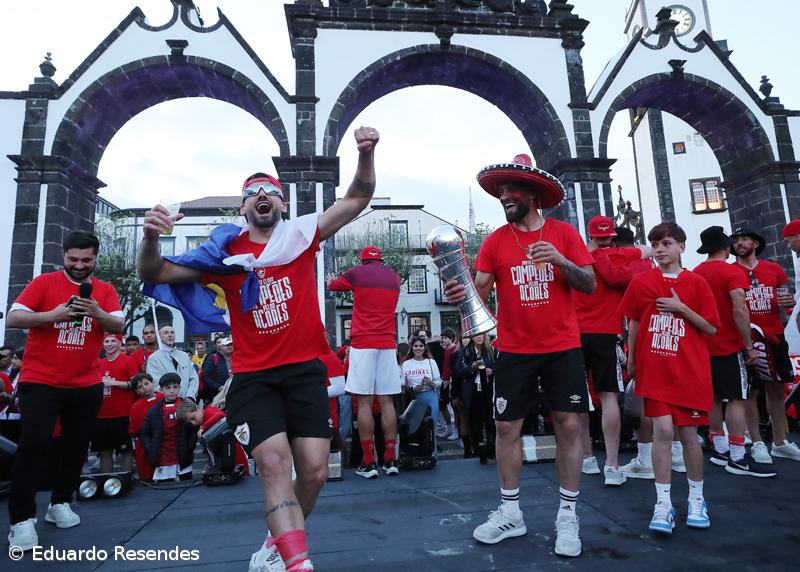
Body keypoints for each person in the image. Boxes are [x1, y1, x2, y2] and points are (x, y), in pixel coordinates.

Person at [137, 126, 380, 571]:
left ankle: (274, 545)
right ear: (244, 206)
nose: (263, 195)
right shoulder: (224, 257)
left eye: (271, 190)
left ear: (282, 203)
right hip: (254, 378)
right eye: (253, 192)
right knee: (273, 464)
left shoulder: (302, 235)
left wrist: (366, 152)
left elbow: (358, 197)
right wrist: (151, 236)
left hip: (305, 372)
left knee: (314, 473)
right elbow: (154, 273)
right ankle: (297, 563)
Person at [445, 153, 596, 557]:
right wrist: (459, 295)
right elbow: (477, 295)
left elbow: (590, 284)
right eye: (501, 192)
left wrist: (561, 260)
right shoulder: (496, 240)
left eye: (512, 190)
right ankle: (510, 512)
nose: (504, 196)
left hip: (562, 346)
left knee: (567, 427)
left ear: (534, 196)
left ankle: (567, 514)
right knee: (506, 429)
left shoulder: (564, 234)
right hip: (513, 349)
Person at [6, 230, 124, 551]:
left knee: (76, 446)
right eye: (73, 259)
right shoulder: (44, 283)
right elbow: (14, 318)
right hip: (41, 379)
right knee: (33, 445)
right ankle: (21, 519)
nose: (80, 265)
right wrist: (53, 315)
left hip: (85, 382)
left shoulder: (105, 290)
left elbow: (118, 325)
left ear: (95, 258)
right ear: (64, 255)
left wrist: (95, 311)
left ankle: (60, 502)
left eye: (86, 260)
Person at [620, 222, 720, 534]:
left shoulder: (697, 283)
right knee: (662, 431)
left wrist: (681, 308)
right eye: (655, 243)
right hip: (655, 370)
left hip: (689, 372)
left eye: (666, 243)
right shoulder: (641, 282)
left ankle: (696, 498)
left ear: (681, 246)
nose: (660, 249)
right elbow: (635, 321)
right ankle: (663, 503)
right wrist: (633, 359)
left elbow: (711, 327)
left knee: (689, 436)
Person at [573, 216, 651, 486]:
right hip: (606, 332)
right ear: (612, 236)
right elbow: (647, 251)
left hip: (575, 332)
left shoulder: (578, 252)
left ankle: (586, 457)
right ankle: (613, 464)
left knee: (580, 398)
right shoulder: (619, 255)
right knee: (608, 397)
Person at [693, 226, 775, 477]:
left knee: (714, 398)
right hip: (728, 344)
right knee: (737, 398)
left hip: (703, 345)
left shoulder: (696, 273)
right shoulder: (730, 271)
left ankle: (720, 448)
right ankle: (738, 456)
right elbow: (739, 308)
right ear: (726, 247)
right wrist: (748, 345)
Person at [327, 245, 402, 479]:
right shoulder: (394, 278)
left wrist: (332, 278)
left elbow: (334, 285)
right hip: (388, 342)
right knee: (387, 401)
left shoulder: (357, 273)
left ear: (362, 259)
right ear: (380, 258)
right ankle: (390, 459)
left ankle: (369, 462)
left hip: (362, 342)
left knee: (365, 401)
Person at [731, 226, 800, 462]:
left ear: (756, 243)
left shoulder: (774, 269)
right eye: (736, 240)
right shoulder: (730, 271)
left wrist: (789, 300)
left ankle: (779, 442)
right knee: (751, 391)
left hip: (774, 335)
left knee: (777, 389)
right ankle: (758, 441)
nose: (739, 243)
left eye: (744, 239)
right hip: (746, 338)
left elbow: (786, 297)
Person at [92, 333, 140, 473]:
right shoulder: (99, 363)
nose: (109, 344)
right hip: (101, 415)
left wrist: (114, 383)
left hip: (122, 414)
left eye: (113, 341)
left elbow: (136, 383)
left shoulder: (128, 361)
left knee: (125, 451)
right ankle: (106, 481)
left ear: (120, 344)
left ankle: (125, 480)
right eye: (106, 341)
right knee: (104, 451)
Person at [140, 373, 195, 482]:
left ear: (180, 387)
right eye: (168, 388)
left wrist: (190, 445)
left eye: (175, 387)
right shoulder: (154, 411)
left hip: (183, 456)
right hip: (163, 458)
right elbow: (145, 434)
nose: (172, 391)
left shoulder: (188, 405)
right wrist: (151, 450)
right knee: (165, 492)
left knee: (186, 489)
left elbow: (194, 428)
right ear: (161, 389)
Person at [452, 333, 497, 459]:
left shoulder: (492, 350)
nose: (478, 337)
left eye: (481, 334)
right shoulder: (465, 351)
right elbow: (457, 372)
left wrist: (492, 371)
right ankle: (477, 449)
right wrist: (471, 368)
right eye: (475, 335)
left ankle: (491, 448)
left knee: (490, 420)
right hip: (472, 391)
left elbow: (501, 366)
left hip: (489, 389)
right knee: (474, 421)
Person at [401, 336, 443, 448]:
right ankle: (419, 454)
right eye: (416, 346)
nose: (418, 348)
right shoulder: (406, 364)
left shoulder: (431, 362)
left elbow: (439, 382)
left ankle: (432, 453)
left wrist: (431, 383)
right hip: (415, 400)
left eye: (421, 346)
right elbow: (402, 384)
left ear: (425, 348)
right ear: (412, 347)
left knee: (431, 426)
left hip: (430, 397)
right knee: (416, 427)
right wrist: (413, 388)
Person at [146, 325, 199, 400]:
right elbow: (156, 383)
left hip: (187, 401)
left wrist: (190, 396)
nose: (170, 335)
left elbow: (193, 378)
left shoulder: (184, 356)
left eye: (172, 332)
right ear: (160, 337)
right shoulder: (153, 358)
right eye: (166, 333)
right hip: (166, 402)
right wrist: (172, 397)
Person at [128, 373, 162, 482]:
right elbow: (132, 430)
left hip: (164, 439)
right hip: (145, 443)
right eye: (140, 387)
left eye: (146, 384)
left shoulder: (163, 398)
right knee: (147, 474)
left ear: (153, 383)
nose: (144, 388)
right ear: (137, 391)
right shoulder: (135, 407)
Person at [200, 335, 233, 405]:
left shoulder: (237, 358)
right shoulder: (212, 358)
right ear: (221, 347)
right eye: (227, 345)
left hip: (233, 394)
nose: (229, 346)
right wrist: (219, 387)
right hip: (216, 396)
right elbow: (205, 376)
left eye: (231, 344)